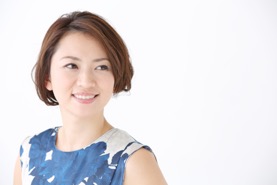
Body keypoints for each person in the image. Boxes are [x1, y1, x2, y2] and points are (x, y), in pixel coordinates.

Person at [13, 11, 168, 185]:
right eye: (71, 65)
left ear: (115, 77)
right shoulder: (29, 152)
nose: (86, 82)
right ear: (47, 78)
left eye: (102, 67)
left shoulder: (133, 162)